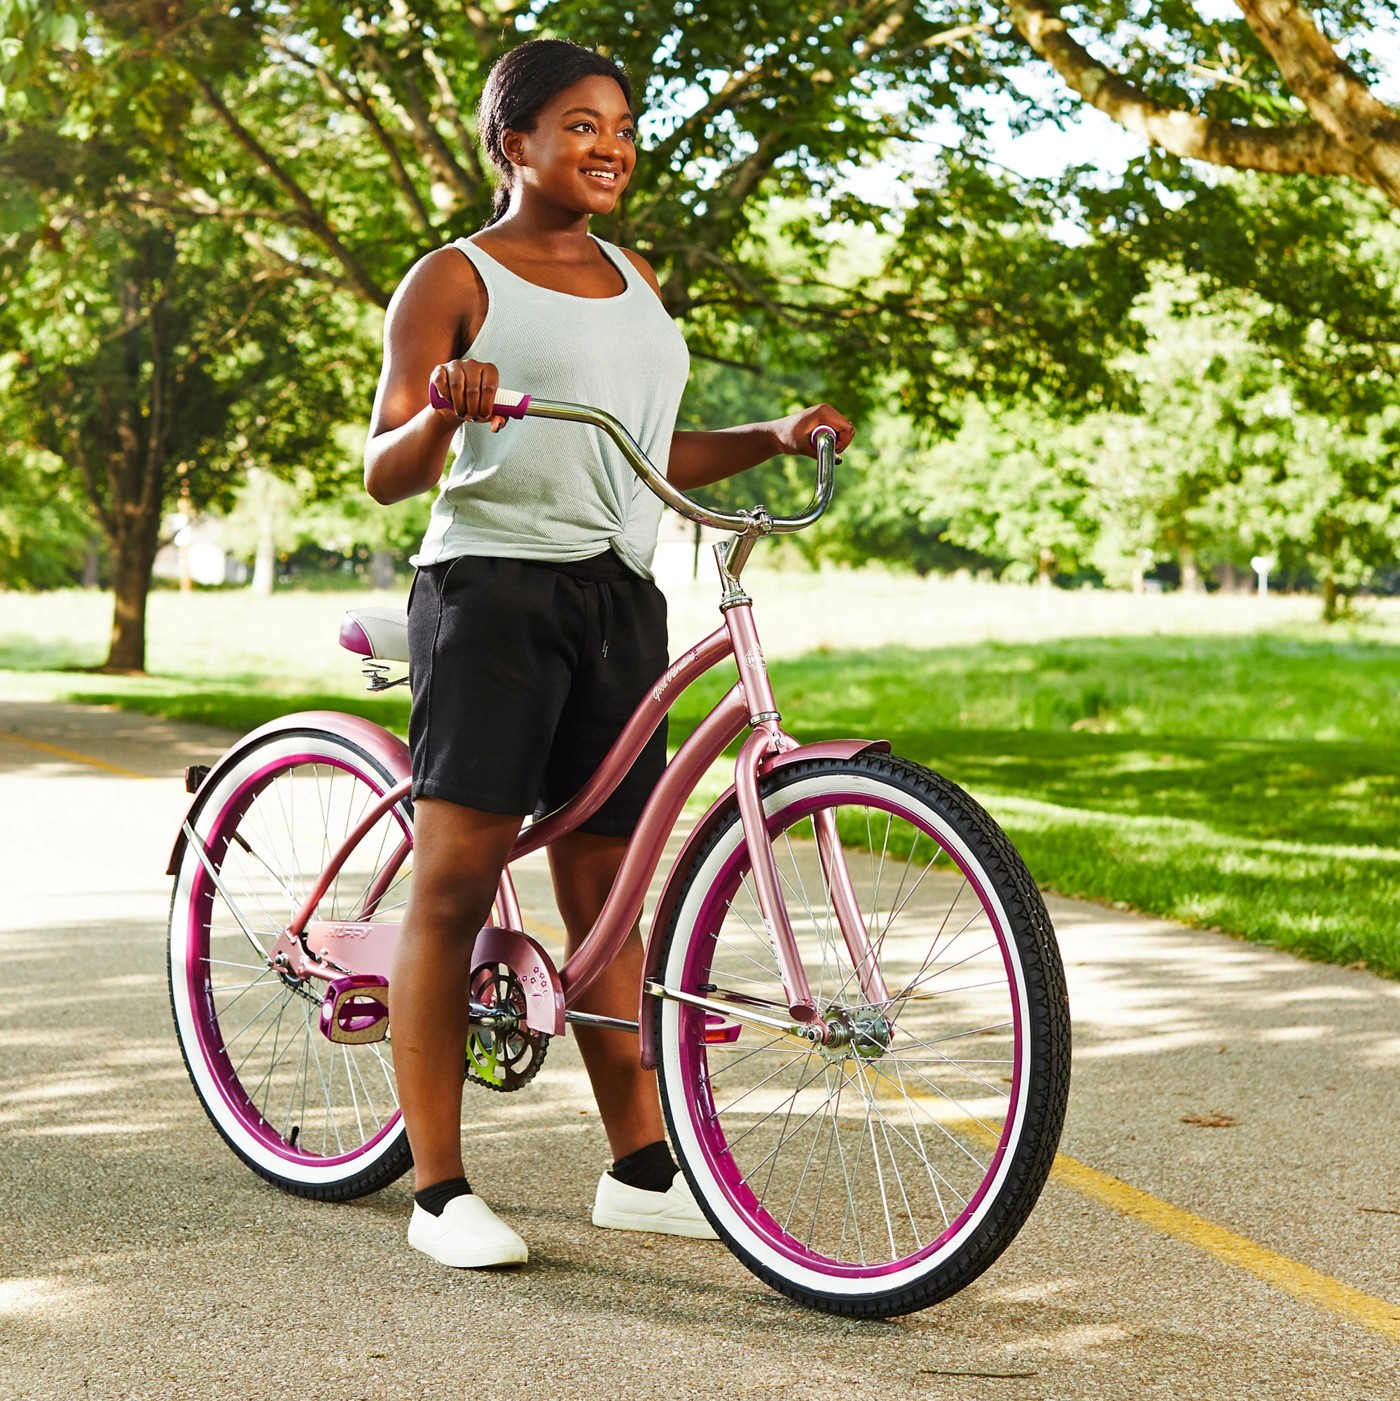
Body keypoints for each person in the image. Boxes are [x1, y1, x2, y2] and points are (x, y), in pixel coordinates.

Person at [364, 37, 855, 1270]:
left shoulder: (632, 276)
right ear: (512, 142)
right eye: (578, 124)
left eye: (621, 125)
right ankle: (438, 1191)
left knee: (605, 891)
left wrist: (768, 433)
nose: (609, 144)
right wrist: (442, 404)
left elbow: (644, 452)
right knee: (456, 881)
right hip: (490, 594)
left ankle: (640, 1168)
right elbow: (384, 472)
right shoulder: (452, 277)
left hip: (617, 595)